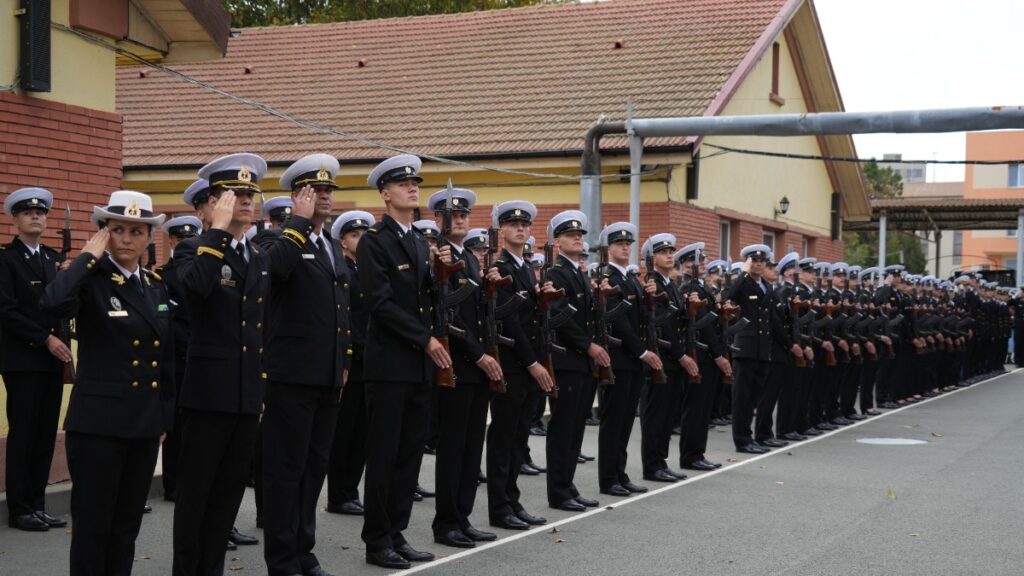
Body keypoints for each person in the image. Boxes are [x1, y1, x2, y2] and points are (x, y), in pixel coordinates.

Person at [172, 153, 312, 575]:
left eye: (251, 194)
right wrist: (215, 231)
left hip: (246, 395)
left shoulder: (255, 254)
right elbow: (195, 289)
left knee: (228, 497)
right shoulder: (192, 249)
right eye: (236, 194)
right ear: (213, 202)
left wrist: (301, 222)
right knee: (196, 498)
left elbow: (264, 315)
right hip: (207, 394)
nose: (247, 202)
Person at [41, 190, 174, 575]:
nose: (128, 239)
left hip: (144, 425)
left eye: (137, 231)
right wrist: (86, 258)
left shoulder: (153, 285)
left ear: (150, 237)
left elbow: (164, 359)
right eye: (118, 230)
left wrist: (163, 417)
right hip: (99, 425)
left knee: (126, 526)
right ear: (104, 234)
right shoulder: (90, 281)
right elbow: (51, 304)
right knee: (93, 527)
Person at [258, 153, 351, 576]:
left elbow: (339, 307)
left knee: (314, 468)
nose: (326, 197)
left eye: (329, 190)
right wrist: (296, 222)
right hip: (291, 374)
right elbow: (274, 272)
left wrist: (344, 358)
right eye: (317, 191)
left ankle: (303, 549)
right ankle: (281, 557)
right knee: (286, 470)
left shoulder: (331, 244)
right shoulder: (277, 241)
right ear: (298, 197)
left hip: (328, 374)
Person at [358, 154, 449, 570]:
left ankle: (398, 532)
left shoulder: (417, 240)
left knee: (410, 455)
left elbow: (426, 300)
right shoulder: (375, 241)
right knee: (384, 455)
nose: (413, 188)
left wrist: (444, 277)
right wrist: (424, 339)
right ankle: (377, 541)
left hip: (418, 367)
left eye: (415, 183)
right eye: (403, 184)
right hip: (390, 365)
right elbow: (380, 303)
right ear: (385, 193)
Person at [429, 186, 504, 549]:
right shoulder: (441, 257)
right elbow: (448, 317)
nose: (459, 219)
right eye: (452, 215)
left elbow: (478, 314)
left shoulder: (472, 260)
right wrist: (478, 355)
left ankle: (463, 515)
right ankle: (445, 522)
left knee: (472, 447)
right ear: (438, 220)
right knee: (453, 448)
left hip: (478, 366)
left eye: (463, 215)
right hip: (457, 364)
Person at [0, 188, 68, 532]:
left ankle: (38, 504)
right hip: (24, 360)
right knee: (25, 433)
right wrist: (45, 338)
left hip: (52, 362)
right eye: (28, 213)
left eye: (40, 213)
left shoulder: (52, 259)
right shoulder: (6, 260)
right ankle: (20, 508)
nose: (36, 217)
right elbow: (6, 311)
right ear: (15, 219)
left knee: (43, 435)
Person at [486, 200, 556, 531]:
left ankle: (512, 500)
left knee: (518, 437)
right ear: (502, 230)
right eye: (513, 224)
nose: (520, 229)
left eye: (525, 225)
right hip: (513, 363)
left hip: (529, 363)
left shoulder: (526, 268)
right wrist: (532, 363)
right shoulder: (501, 267)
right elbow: (510, 322)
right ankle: (499, 507)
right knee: (503, 437)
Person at [544, 210, 609, 510]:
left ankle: (568, 485)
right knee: (563, 429)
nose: (577, 238)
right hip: (567, 360)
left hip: (582, 362)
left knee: (575, 428)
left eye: (580, 235)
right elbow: (560, 318)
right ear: (557, 241)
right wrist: (589, 346)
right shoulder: (555, 274)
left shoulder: (580, 274)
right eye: (571, 235)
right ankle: (558, 491)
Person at [596, 222, 663, 497]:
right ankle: (608, 478)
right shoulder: (607, 276)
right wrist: (642, 351)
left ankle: (620, 473)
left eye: (628, 244)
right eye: (619, 244)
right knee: (613, 422)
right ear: (608, 248)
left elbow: (641, 320)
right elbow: (619, 322)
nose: (625, 247)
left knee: (625, 422)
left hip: (632, 361)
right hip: (618, 359)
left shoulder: (631, 279)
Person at [637, 235, 699, 482]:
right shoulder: (652, 285)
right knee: (655, 415)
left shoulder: (671, 285)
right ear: (651, 260)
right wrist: (682, 355)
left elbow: (679, 323)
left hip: (673, 361)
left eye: (671, 251)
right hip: (661, 358)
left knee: (667, 415)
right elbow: (661, 328)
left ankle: (660, 461)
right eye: (663, 252)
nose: (670, 255)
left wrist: (691, 308)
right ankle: (651, 465)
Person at [326, 210, 375, 517]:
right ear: (343, 241)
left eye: (365, 235)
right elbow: (346, 319)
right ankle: (337, 494)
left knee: (362, 433)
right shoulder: (343, 271)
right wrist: (358, 348)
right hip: (352, 361)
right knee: (344, 432)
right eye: (355, 235)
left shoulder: (369, 271)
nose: (361, 240)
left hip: (371, 362)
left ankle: (351, 490)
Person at [155, 214, 202, 504]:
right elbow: (170, 323)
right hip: (179, 359)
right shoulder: (164, 277)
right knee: (175, 426)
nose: (186, 244)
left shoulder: (205, 271)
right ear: (171, 241)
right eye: (180, 239)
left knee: (197, 427)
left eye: (190, 239)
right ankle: (173, 483)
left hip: (202, 362)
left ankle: (192, 479)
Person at [723, 244, 774, 454]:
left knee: (754, 397)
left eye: (762, 261)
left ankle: (750, 437)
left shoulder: (766, 286)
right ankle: (742, 440)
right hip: (745, 347)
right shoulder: (743, 284)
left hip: (762, 349)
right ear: (748, 263)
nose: (759, 264)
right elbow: (727, 296)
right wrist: (742, 274)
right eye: (755, 261)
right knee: (742, 398)